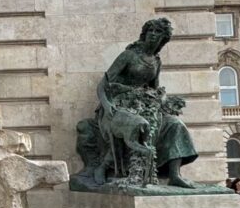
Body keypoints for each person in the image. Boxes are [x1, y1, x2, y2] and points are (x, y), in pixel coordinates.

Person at [75, 17, 197, 188]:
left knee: (175, 124)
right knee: (137, 124)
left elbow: (155, 89)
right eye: (151, 31)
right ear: (145, 34)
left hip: (144, 105)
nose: (153, 35)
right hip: (117, 104)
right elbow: (103, 85)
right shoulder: (128, 56)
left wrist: (161, 100)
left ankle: (174, 174)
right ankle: (105, 167)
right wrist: (107, 105)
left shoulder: (156, 61)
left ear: (164, 38)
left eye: (158, 32)